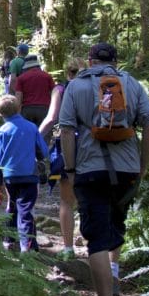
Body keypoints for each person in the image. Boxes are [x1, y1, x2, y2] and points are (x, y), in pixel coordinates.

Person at [58, 42, 149, 296]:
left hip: (90, 170)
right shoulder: (131, 84)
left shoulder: (75, 86)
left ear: (90, 62)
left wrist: (71, 169)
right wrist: (143, 165)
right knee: (116, 223)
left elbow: (66, 130)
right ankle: (113, 271)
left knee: (98, 238)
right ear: (116, 61)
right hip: (127, 170)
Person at [38, 57, 87, 261]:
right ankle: (94, 245)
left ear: (68, 72)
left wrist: (35, 137)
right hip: (90, 147)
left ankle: (68, 248)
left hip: (67, 147)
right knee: (90, 198)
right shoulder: (94, 88)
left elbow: (51, 118)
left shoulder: (60, 89)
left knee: (66, 200)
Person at [0, 94, 49, 252]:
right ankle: (27, 246)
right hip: (29, 175)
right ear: (19, 108)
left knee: (12, 205)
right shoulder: (31, 127)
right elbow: (43, 150)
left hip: (10, 177)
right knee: (25, 209)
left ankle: (8, 240)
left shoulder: (2, 131)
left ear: (0, 113)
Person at [14, 55, 55, 127]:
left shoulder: (21, 78)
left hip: (27, 110)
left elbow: (18, 96)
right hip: (44, 109)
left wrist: (17, 114)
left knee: (28, 132)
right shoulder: (47, 76)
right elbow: (54, 94)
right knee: (45, 132)